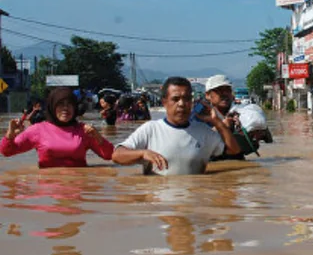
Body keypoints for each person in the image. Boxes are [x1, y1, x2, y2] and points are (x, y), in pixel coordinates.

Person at [112, 77, 241, 175]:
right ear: (164, 102)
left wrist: (217, 122)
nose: (181, 104)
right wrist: (142, 153)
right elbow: (117, 155)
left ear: (191, 102)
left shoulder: (203, 132)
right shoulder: (151, 129)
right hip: (157, 206)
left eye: (186, 99)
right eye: (175, 99)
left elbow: (233, 150)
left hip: (194, 204)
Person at [0, 86, 114, 168]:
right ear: (52, 107)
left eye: (69, 104)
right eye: (60, 104)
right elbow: (7, 152)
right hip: (47, 194)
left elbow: (109, 155)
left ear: (75, 108)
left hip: (78, 189)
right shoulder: (38, 130)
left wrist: (98, 136)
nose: (65, 108)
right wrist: (10, 135)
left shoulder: (85, 130)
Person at [201, 74, 272, 160]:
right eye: (219, 91)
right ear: (208, 95)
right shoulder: (201, 116)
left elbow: (266, 138)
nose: (224, 94)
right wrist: (221, 127)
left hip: (237, 161)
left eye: (227, 90)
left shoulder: (242, 112)